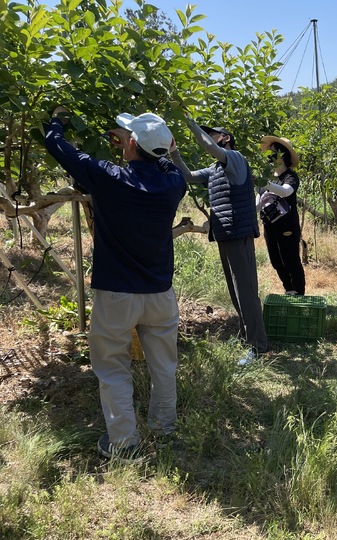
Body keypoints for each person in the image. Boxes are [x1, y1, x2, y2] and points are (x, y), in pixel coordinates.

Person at [44, 107, 187, 460]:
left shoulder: (109, 178)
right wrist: (143, 143)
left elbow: (59, 147)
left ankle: (124, 443)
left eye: (127, 138)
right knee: (164, 365)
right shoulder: (174, 184)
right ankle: (163, 428)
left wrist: (58, 121)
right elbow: (168, 163)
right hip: (159, 294)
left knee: (112, 367)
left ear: (133, 143)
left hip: (116, 294)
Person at [169, 115, 268, 365]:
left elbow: (210, 148)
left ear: (224, 138)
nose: (208, 138)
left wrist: (190, 124)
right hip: (225, 233)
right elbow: (189, 176)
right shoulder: (215, 170)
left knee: (246, 291)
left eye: (212, 134)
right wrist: (174, 152)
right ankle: (248, 337)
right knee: (236, 290)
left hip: (238, 232)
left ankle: (258, 346)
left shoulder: (234, 158)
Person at [257, 135, 306, 295]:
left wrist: (265, 183)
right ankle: (289, 289)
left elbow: (286, 191)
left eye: (274, 153)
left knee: (290, 260)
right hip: (269, 226)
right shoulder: (267, 177)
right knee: (276, 261)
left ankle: (299, 293)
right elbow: (257, 203)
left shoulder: (290, 177)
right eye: (269, 153)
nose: (270, 157)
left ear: (283, 155)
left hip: (287, 226)